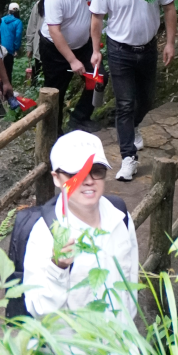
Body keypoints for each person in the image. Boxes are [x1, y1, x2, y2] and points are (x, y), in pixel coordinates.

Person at [23, 131, 138, 323]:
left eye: (97, 170)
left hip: (121, 346)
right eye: (76, 172)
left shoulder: (120, 217)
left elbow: (130, 280)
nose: (88, 180)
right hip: (73, 350)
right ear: (57, 178)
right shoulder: (45, 233)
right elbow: (39, 310)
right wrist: (57, 267)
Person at [89, 0, 177, 182]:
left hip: (147, 48)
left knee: (147, 100)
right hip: (120, 52)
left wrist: (169, 42)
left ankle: (134, 126)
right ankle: (129, 157)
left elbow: (169, 6)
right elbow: (96, 18)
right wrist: (96, 50)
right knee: (125, 104)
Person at [40, 0, 98, 131]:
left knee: (98, 78)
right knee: (56, 91)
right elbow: (54, 31)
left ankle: (80, 117)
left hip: (83, 44)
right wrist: (72, 60)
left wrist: (96, 48)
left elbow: (96, 15)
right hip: (54, 49)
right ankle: (52, 131)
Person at [26, 0, 62, 83]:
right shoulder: (39, 5)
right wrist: (29, 47)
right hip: (39, 50)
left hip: (58, 49)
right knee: (39, 78)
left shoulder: (62, 3)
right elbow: (32, 27)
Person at [0, 2, 24, 81]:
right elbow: (18, 36)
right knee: (8, 71)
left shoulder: (2, 20)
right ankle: (7, 90)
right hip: (10, 50)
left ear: (8, 11)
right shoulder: (18, 22)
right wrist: (16, 48)